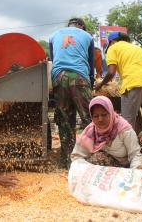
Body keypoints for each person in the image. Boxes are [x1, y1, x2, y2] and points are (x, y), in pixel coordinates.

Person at [96, 32, 142, 161]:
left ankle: (130, 156)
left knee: (127, 121)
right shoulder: (136, 48)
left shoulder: (113, 48)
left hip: (133, 83)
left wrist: (100, 85)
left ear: (112, 42)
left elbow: (111, 73)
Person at [49, 17, 94, 169]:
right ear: (82, 27)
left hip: (59, 78)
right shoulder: (87, 36)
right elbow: (91, 62)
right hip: (79, 77)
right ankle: (93, 158)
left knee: (65, 121)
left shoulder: (54, 35)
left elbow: (54, 59)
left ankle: (67, 160)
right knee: (90, 118)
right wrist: (91, 84)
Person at [71, 96, 142, 168]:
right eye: (96, 116)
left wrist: (135, 173)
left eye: (104, 115)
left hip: (130, 166)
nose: (100, 119)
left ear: (111, 113)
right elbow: (77, 156)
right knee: (98, 158)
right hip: (111, 170)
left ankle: (141, 169)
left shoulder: (123, 128)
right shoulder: (90, 132)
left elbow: (135, 153)